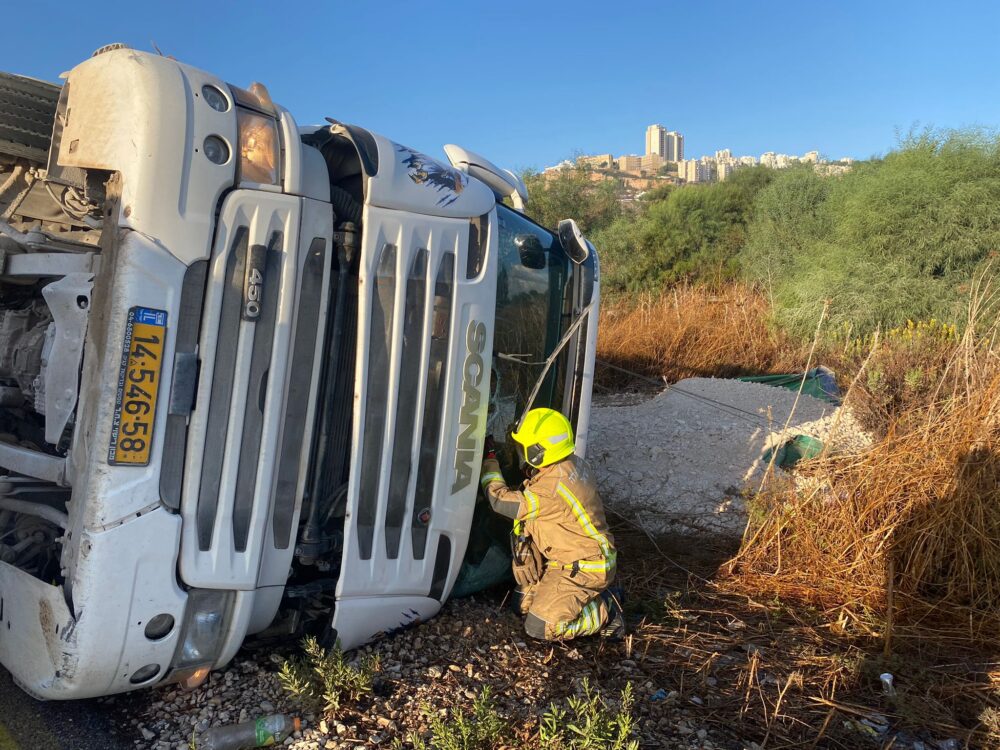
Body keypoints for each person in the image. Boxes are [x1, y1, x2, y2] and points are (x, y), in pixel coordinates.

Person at [480, 408, 623, 641]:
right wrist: (524, 543)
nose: (518, 452)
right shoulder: (569, 463)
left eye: (521, 448)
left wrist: (489, 461)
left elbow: (500, 501)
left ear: (537, 453)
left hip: (586, 567)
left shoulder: (553, 487)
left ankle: (607, 608)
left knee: (540, 626)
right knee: (522, 604)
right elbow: (543, 515)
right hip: (566, 558)